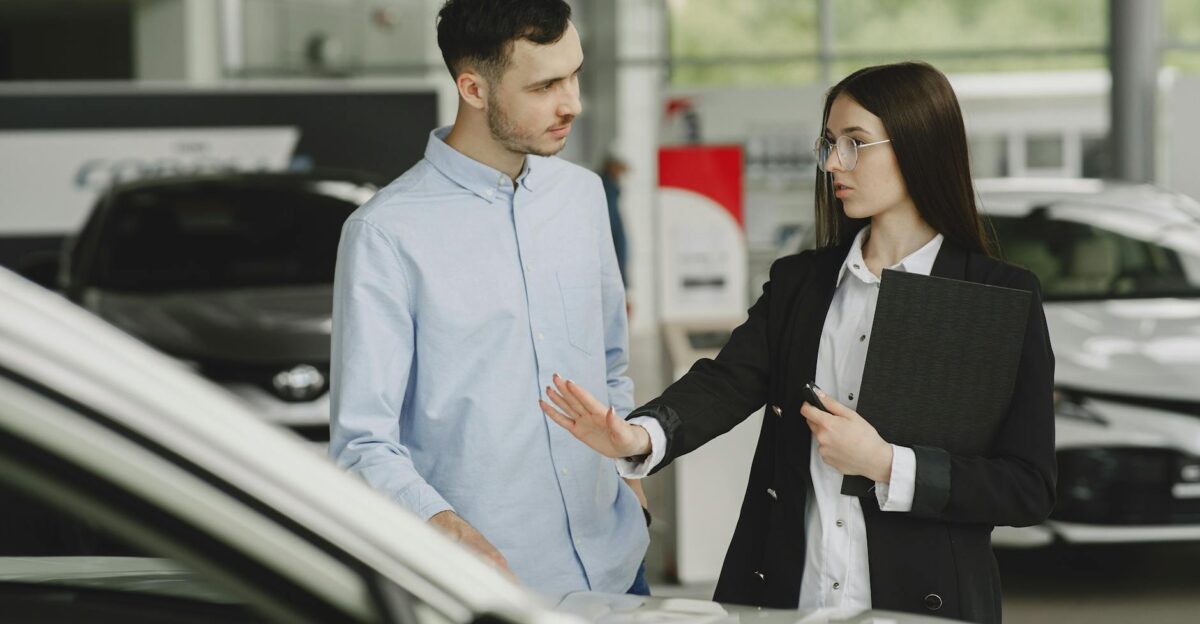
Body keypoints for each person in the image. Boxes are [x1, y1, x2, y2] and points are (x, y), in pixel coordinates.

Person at [539, 61, 1055, 623]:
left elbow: (1026, 487)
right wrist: (637, 436)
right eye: (830, 143)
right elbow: (727, 380)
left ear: (918, 145)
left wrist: (886, 464)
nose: (834, 163)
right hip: (785, 598)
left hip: (925, 605)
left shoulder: (997, 296)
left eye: (856, 143)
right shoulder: (802, 282)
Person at [330, 0, 649, 601]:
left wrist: (629, 482)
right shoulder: (385, 233)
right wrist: (444, 530)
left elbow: (609, 365)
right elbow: (362, 443)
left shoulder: (583, 198)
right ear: (472, 88)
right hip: (487, 587)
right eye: (546, 85)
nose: (572, 103)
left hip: (617, 565)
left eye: (575, 74)